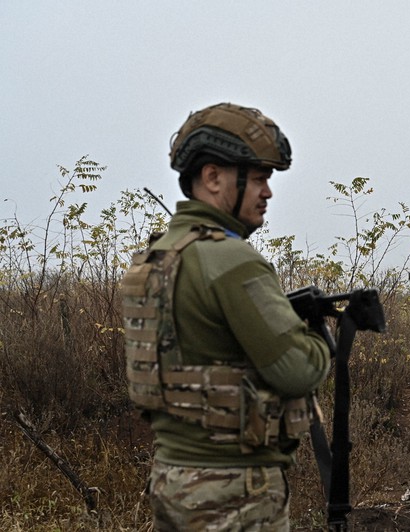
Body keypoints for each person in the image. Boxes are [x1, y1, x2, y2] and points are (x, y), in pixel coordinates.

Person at [121, 102, 330, 531]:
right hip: (234, 491)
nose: (267, 192)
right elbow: (298, 371)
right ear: (213, 177)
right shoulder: (231, 258)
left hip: (173, 479)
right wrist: (316, 338)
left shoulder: (156, 257)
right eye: (257, 178)